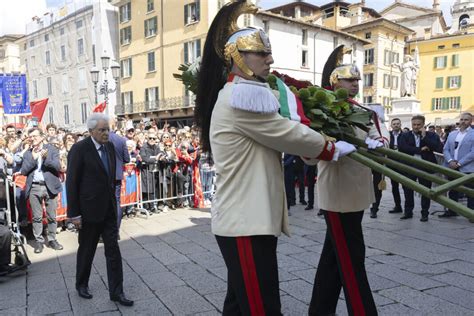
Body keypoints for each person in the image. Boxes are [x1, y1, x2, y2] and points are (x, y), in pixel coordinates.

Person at [194, 3, 355, 314]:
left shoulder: (244, 93)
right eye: (260, 53)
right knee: (261, 307)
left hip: (247, 220)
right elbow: (285, 132)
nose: (269, 59)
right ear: (238, 57)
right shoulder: (241, 98)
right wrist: (329, 148)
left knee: (240, 304)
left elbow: (279, 135)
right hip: (245, 223)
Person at [309, 45, 389, 315]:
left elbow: (380, 133)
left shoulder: (365, 110)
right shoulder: (325, 109)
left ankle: (320, 309)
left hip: (359, 190)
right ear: (335, 82)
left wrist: (379, 142)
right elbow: (308, 153)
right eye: (349, 80)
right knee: (351, 256)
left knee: (334, 255)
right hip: (337, 191)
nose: (355, 84)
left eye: (357, 80)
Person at [66, 113, 133, 306]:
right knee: (87, 250)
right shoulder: (79, 149)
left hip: (109, 210)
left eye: (108, 129)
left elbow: (110, 179)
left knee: (113, 250)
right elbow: (72, 182)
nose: (106, 133)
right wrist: (74, 214)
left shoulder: (110, 147)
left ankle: (117, 292)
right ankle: (81, 284)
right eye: (102, 130)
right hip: (88, 212)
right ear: (91, 131)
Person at [21, 127, 63, 254]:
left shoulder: (51, 149)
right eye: (31, 137)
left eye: (35, 136)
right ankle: (39, 241)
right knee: (37, 217)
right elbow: (23, 171)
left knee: (51, 216)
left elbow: (57, 166)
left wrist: (46, 159)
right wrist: (34, 159)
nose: (33, 139)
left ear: (42, 136)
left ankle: (52, 239)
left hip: (49, 186)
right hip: (34, 187)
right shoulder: (28, 152)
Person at [398, 115, 443, 222]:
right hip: (409, 166)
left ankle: (424, 213)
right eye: (414, 124)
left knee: (425, 191)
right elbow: (403, 148)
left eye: (419, 125)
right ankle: (408, 212)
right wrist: (420, 149)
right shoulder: (405, 135)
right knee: (408, 190)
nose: (416, 127)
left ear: (423, 125)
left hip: (425, 166)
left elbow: (437, 147)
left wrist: (424, 137)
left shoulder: (431, 135)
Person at [439, 112, 474, 217]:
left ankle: (470, 213)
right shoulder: (452, 134)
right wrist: (450, 161)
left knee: (470, 192)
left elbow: (473, 152)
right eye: (462, 119)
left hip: (467, 168)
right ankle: (452, 210)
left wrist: (459, 163)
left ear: (471, 121)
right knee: (452, 190)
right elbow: (445, 149)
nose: (463, 122)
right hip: (451, 166)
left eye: (466, 120)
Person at [108, 118, 130, 230]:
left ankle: (107, 231)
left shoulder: (99, 139)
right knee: (116, 201)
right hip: (116, 174)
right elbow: (127, 158)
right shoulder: (121, 140)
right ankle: (115, 230)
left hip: (104, 176)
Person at [388, 118, 404, 214]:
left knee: (406, 186)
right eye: (394, 124)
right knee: (394, 186)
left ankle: (408, 209)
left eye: (398, 123)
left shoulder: (405, 135)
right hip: (392, 163)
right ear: (391, 125)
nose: (396, 125)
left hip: (403, 163)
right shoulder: (388, 135)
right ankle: (397, 206)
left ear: (400, 124)